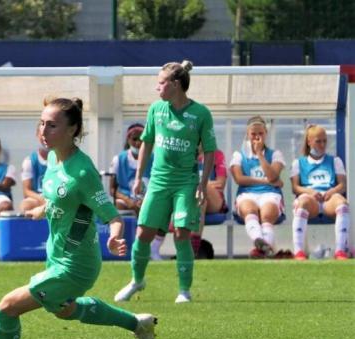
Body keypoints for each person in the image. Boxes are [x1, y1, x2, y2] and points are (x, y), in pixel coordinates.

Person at [0, 97, 157, 339]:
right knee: (65, 310)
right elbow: (63, 199)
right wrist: (43, 210)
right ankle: (137, 323)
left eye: (52, 125)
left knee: (7, 308)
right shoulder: (54, 157)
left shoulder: (83, 172)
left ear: (72, 130)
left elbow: (112, 216)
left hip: (76, 264)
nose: (43, 131)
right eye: (42, 123)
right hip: (57, 256)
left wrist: (115, 237)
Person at [114, 60, 217, 305]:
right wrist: (139, 177)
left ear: (176, 85)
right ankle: (136, 280)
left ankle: (184, 291)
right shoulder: (156, 110)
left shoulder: (200, 114)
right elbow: (147, 142)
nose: (156, 87)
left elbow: (210, 151)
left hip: (186, 183)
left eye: (161, 82)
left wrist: (202, 185)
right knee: (143, 234)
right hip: (159, 183)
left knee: (181, 233)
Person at [290, 125, 349, 260]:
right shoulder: (298, 163)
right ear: (309, 141)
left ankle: (340, 251)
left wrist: (332, 191)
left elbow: (342, 185)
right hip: (311, 201)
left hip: (329, 199)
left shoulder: (335, 161)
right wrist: (310, 191)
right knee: (302, 202)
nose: (322, 145)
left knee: (342, 203)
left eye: (324, 141)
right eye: (318, 141)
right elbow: (295, 187)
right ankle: (298, 252)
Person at [230, 116, 285, 258]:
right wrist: (266, 181)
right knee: (249, 210)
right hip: (247, 194)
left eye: (260, 133)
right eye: (253, 134)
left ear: (265, 134)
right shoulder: (239, 155)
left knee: (267, 214)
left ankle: (261, 248)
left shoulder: (275, 154)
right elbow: (239, 179)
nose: (257, 137)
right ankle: (262, 245)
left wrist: (260, 154)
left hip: (270, 194)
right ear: (247, 134)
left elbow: (273, 175)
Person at [108, 123, 151, 214]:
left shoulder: (155, 160)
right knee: (120, 204)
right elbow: (112, 190)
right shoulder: (118, 160)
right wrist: (128, 200)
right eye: (134, 139)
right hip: (126, 201)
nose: (138, 143)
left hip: (148, 199)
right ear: (128, 140)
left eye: (141, 139)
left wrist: (145, 200)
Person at [19, 128, 48, 212]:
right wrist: (42, 199)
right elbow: (26, 191)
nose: (45, 138)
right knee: (25, 205)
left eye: (48, 134)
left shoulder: (61, 159)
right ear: (37, 135)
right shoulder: (29, 161)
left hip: (56, 198)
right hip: (38, 199)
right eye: (42, 134)